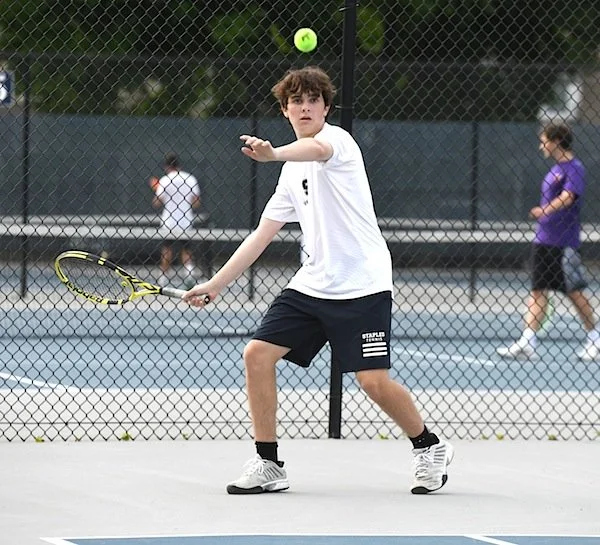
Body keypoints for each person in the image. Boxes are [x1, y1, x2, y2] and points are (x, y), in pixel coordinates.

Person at [183, 66, 454, 495]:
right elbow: (261, 236)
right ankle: (268, 463)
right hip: (312, 284)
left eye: (314, 100)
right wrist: (215, 283)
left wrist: (273, 153)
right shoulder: (290, 175)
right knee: (257, 354)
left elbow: (315, 149)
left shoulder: (337, 142)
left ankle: (428, 446)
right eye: (297, 101)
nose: (305, 107)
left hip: (363, 284)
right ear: (285, 109)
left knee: (372, 382)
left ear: (326, 108)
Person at [497, 123, 600, 362]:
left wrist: (545, 210)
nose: (541, 146)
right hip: (543, 240)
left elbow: (568, 196)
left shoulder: (574, 168)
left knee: (574, 292)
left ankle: (596, 339)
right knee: (537, 291)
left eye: (544, 141)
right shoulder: (555, 169)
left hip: (563, 242)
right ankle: (528, 342)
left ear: (556, 141)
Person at [150, 152, 201, 288]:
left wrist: (156, 189)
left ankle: (163, 280)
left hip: (169, 222)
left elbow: (157, 202)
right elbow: (196, 202)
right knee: (187, 249)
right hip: (186, 221)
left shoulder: (165, 180)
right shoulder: (190, 179)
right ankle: (189, 277)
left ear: (166, 166)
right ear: (179, 165)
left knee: (167, 249)